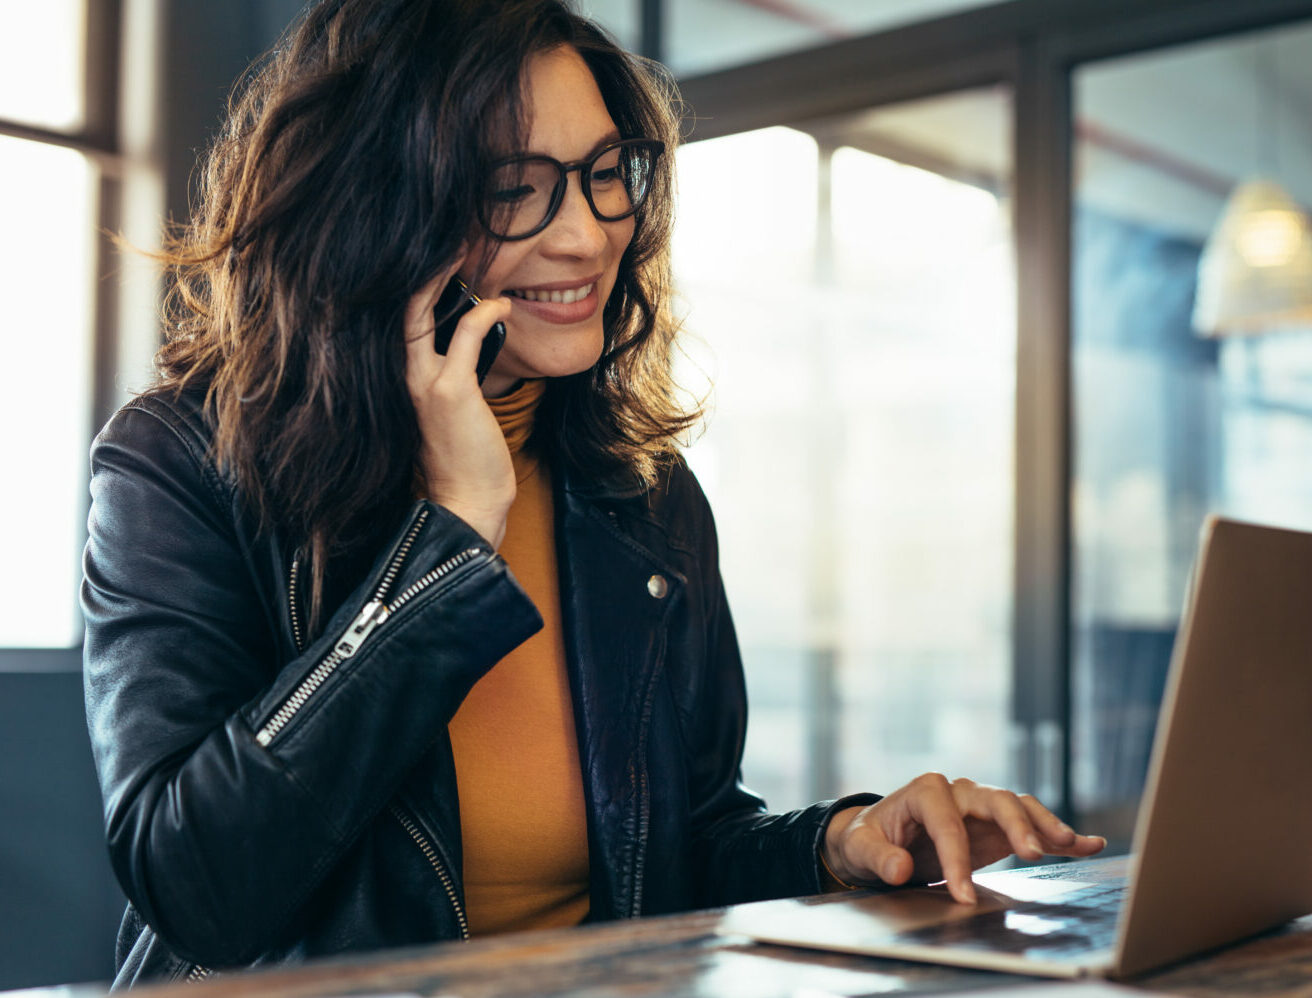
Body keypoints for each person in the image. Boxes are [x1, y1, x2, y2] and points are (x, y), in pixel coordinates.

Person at [81, 0, 1104, 987]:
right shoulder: (182, 461)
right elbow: (199, 886)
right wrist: (450, 536)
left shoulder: (643, 493)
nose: (586, 235)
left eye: (606, 174)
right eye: (513, 188)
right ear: (375, 208)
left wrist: (841, 842)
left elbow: (678, 847)